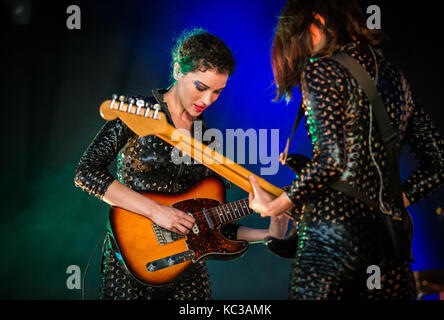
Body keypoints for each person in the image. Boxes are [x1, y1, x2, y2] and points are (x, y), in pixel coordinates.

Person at [247, 0, 444, 300]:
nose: (298, 51)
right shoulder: (395, 77)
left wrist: (275, 206)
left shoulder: (322, 69)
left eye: (296, 36)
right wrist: (393, 199)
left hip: (332, 235)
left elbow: (331, 162)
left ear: (316, 22)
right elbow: (441, 164)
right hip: (389, 242)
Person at [74, 28, 288, 300]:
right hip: (132, 261)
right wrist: (155, 211)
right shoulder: (139, 113)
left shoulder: (206, 139)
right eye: (201, 87)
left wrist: (271, 229)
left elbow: (212, 221)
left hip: (189, 268)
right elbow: (86, 172)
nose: (207, 100)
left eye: (217, 92)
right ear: (177, 70)